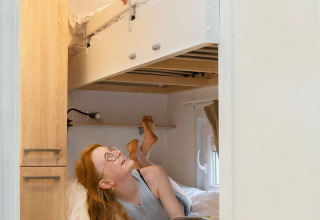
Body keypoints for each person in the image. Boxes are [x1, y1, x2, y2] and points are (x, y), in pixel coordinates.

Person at [75, 115, 192, 220]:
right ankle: (140, 155)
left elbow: (178, 217)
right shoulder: (114, 211)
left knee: (188, 200)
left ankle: (140, 155)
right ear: (106, 182)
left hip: (181, 204)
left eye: (112, 149)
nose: (119, 152)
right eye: (109, 157)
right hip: (143, 181)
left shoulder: (154, 174)